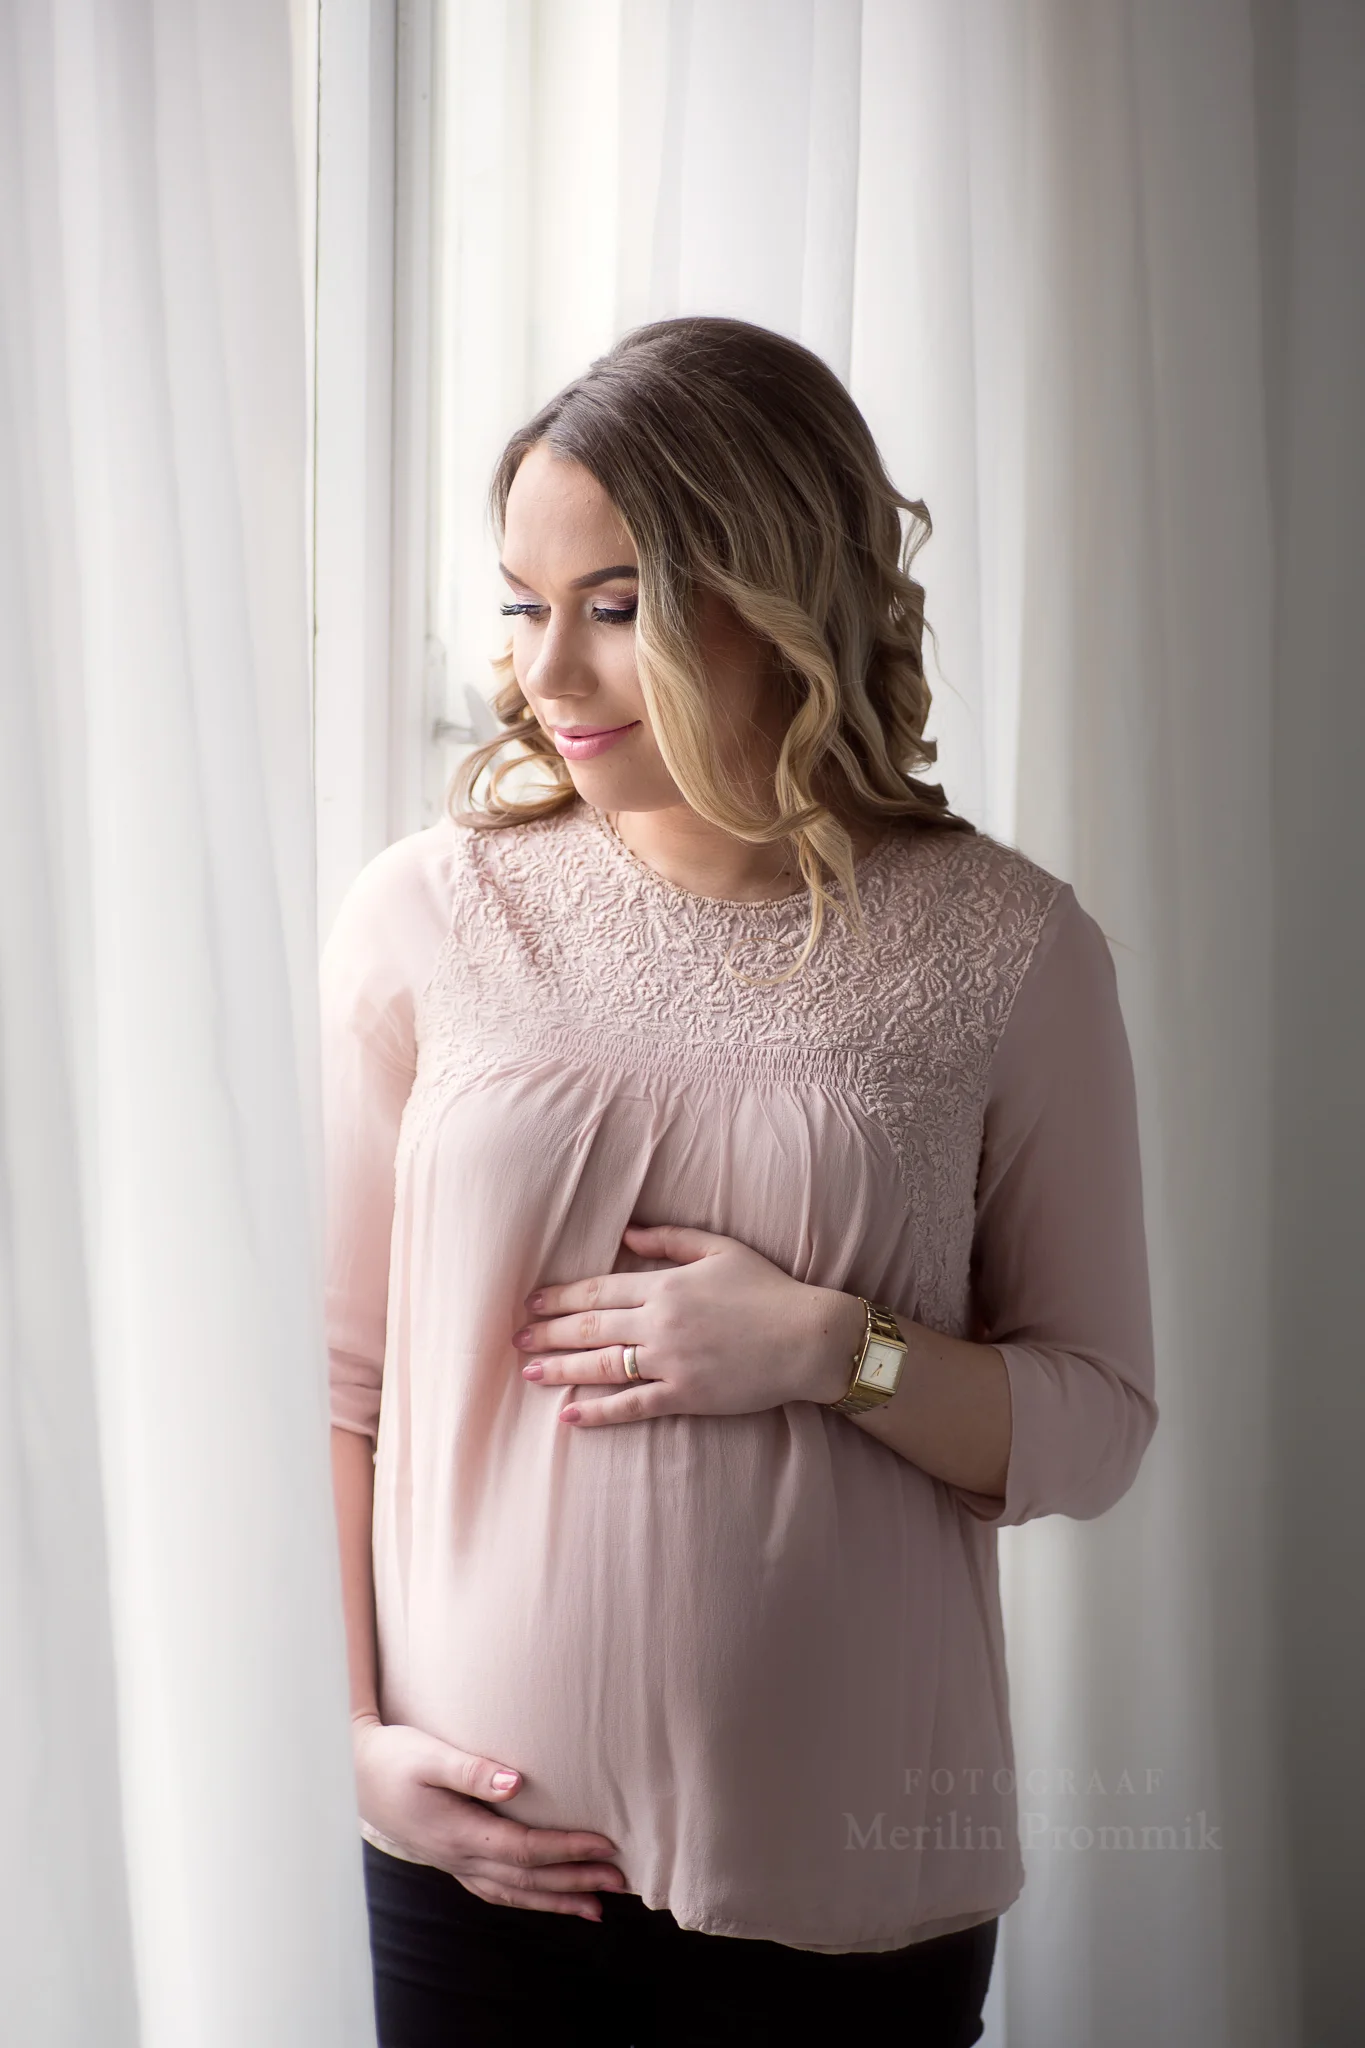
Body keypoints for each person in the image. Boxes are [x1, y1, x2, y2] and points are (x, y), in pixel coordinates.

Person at [322, 315, 1158, 2047]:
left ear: (780, 598)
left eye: (616, 605)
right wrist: (349, 1740)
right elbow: (336, 1386)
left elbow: (1097, 1422)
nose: (545, 674)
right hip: (477, 1876)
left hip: (855, 1908)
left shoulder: (1011, 950)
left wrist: (832, 1350)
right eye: (521, 605)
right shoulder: (424, 915)